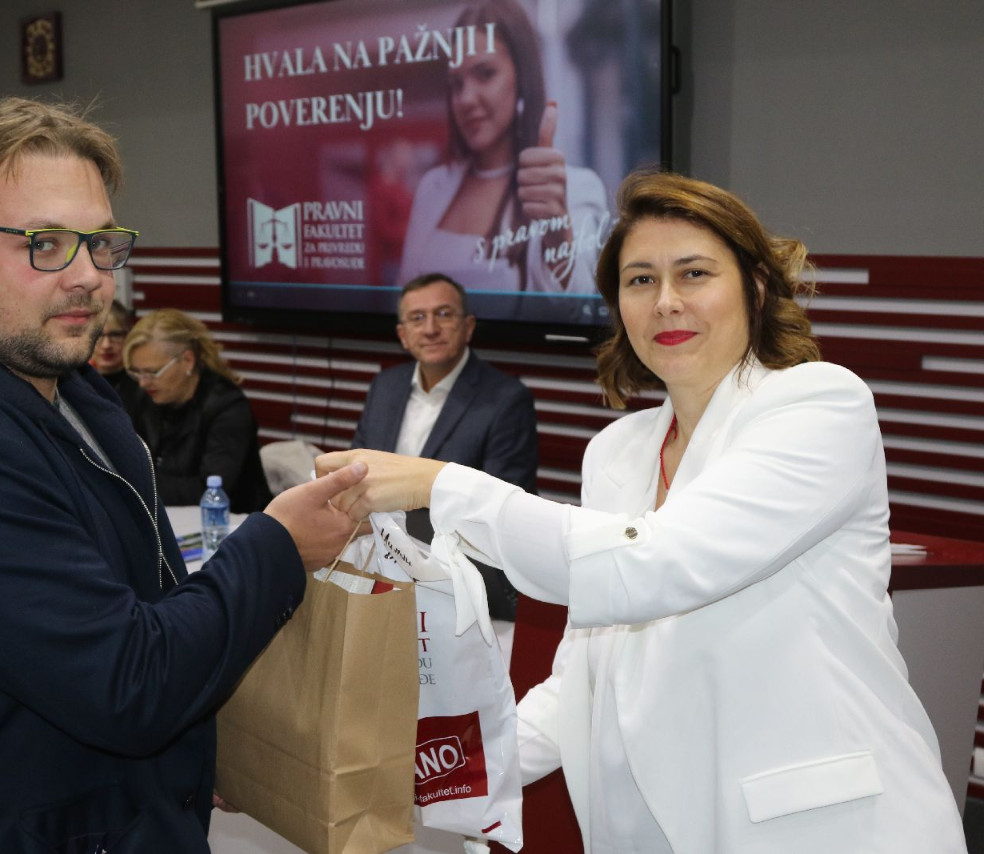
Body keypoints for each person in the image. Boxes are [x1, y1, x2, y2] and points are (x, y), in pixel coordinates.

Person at [321, 172, 967, 852]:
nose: (665, 302)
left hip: (818, 828)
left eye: (694, 273)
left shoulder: (818, 404)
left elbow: (655, 563)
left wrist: (443, 486)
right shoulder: (617, 451)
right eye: (640, 280)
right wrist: (428, 771)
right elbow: (583, 677)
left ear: (755, 288)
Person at [0, 97, 366, 854]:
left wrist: (193, 740)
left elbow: (134, 611)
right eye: (44, 244)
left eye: (101, 244)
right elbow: (129, 686)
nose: (90, 277)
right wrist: (276, 544)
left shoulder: (79, 396)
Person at [396, 0, 608, 303]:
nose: (465, 99)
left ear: (522, 77)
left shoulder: (573, 188)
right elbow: (404, 297)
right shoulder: (433, 187)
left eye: (485, 74)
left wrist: (557, 235)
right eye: (456, 83)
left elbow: (580, 307)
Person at [353, 272, 536, 619]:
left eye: (444, 314)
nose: (430, 329)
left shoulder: (506, 400)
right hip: (377, 569)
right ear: (403, 335)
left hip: (460, 588)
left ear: (468, 326)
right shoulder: (384, 387)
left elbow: (501, 511)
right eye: (417, 318)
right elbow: (357, 476)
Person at [119, 308, 273, 513]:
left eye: (152, 372)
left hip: (233, 520)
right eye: (137, 373)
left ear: (187, 360)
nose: (143, 383)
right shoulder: (144, 397)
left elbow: (210, 489)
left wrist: (137, 484)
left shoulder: (228, 408)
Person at [91, 298, 132, 392]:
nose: (106, 345)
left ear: (129, 336)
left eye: (115, 335)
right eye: (98, 335)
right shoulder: (71, 384)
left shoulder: (145, 386)